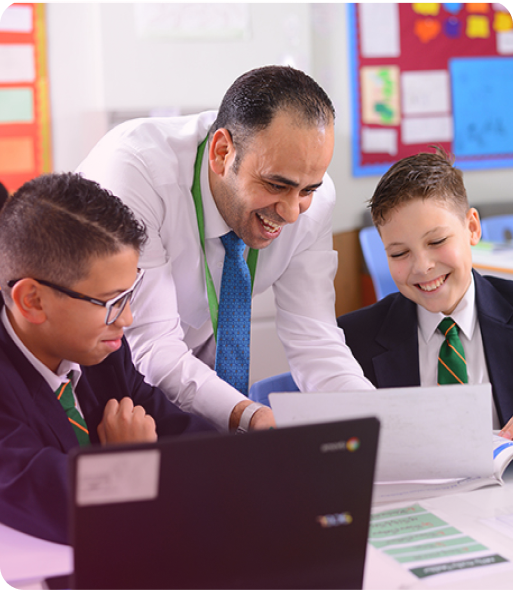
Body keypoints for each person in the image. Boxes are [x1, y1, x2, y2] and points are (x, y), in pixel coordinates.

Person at [77, 65, 374, 433]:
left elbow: (315, 338)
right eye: (276, 185)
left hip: (199, 386)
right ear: (221, 153)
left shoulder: (311, 198)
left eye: (308, 190)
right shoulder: (136, 172)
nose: (292, 212)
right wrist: (252, 417)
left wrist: (374, 417)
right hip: (106, 391)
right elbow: (151, 346)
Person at [0, 172, 215, 545]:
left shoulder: (103, 350)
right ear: (32, 301)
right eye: (111, 301)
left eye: (131, 294)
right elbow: (55, 504)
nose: (127, 319)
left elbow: (194, 444)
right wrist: (129, 459)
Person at [337, 148, 513, 438]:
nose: (422, 267)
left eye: (437, 241)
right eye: (399, 253)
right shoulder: (353, 340)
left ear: (472, 228)